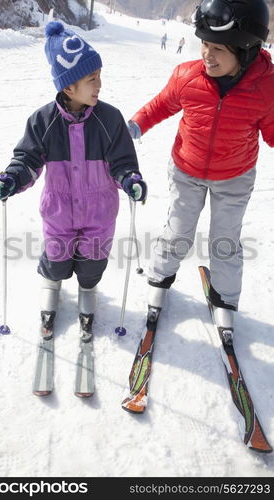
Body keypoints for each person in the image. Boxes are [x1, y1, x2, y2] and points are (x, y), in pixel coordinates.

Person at [127, 0, 274, 335]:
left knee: (224, 241)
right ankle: (160, 278)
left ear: (247, 50)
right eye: (204, 44)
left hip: (235, 177)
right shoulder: (187, 76)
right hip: (187, 170)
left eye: (218, 48)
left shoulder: (266, 88)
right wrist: (137, 124)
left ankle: (225, 299)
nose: (207, 55)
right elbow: (161, 104)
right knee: (178, 231)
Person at [0, 21, 147, 334]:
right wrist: (12, 177)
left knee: (92, 261)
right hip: (59, 212)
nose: (99, 85)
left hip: (99, 213)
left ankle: (88, 291)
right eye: (91, 79)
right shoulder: (43, 121)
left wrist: (130, 178)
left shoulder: (109, 118)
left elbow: (122, 160)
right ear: (68, 86)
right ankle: (51, 285)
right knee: (57, 257)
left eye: (99, 76)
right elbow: (28, 159)